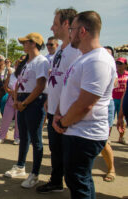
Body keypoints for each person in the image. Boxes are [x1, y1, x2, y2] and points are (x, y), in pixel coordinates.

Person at [53, 11, 116, 199]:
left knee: (77, 181)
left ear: (82, 31)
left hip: (84, 134)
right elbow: (67, 91)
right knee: (80, 179)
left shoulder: (98, 60)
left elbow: (85, 104)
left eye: (71, 29)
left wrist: (63, 122)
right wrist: (58, 113)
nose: (69, 33)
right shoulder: (84, 57)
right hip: (74, 130)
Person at [36, 8, 81, 193]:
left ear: (66, 24)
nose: (51, 27)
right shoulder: (60, 50)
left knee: (69, 156)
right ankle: (56, 181)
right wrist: (49, 99)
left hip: (66, 113)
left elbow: (74, 85)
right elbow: (58, 79)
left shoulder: (76, 51)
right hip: (53, 109)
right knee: (55, 151)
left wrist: (63, 111)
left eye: (55, 23)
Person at [4, 32, 49, 189]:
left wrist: (26, 102)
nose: (23, 45)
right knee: (23, 137)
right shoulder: (26, 62)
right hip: (22, 100)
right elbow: (17, 83)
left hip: (34, 101)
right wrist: (16, 100)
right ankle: (20, 166)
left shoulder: (41, 61)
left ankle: (35, 174)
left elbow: (41, 85)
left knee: (36, 140)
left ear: (34, 43)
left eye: (26, 42)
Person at [99, 46, 116, 182]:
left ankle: (111, 169)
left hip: (105, 104)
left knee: (104, 140)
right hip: (96, 106)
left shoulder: (110, 67)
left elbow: (114, 84)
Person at [0, 61, 20, 145]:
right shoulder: (11, 75)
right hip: (10, 99)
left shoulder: (25, 75)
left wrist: (17, 93)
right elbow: (5, 86)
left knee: (18, 120)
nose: (17, 66)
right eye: (16, 64)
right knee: (5, 118)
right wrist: (11, 92)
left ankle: (17, 137)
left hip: (20, 100)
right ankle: (1, 137)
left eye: (20, 64)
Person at [112, 57, 128, 144]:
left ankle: (121, 137)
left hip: (124, 101)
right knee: (110, 119)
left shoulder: (127, 75)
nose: (118, 65)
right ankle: (107, 138)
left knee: (122, 119)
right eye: (117, 63)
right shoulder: (114, 74)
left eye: (120, 63)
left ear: (125, 65)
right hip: (114, 99)